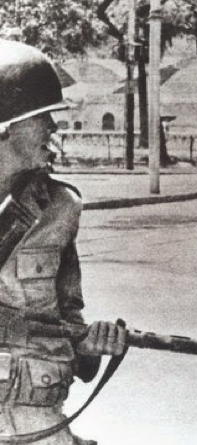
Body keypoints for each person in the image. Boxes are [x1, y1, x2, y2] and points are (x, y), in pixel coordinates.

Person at [0, 39, 127, 444]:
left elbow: (67, 321)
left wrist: (90, 344)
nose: (53, 129)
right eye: (42, 118)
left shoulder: (61, 207)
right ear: (5, 125)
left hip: (40, 417)